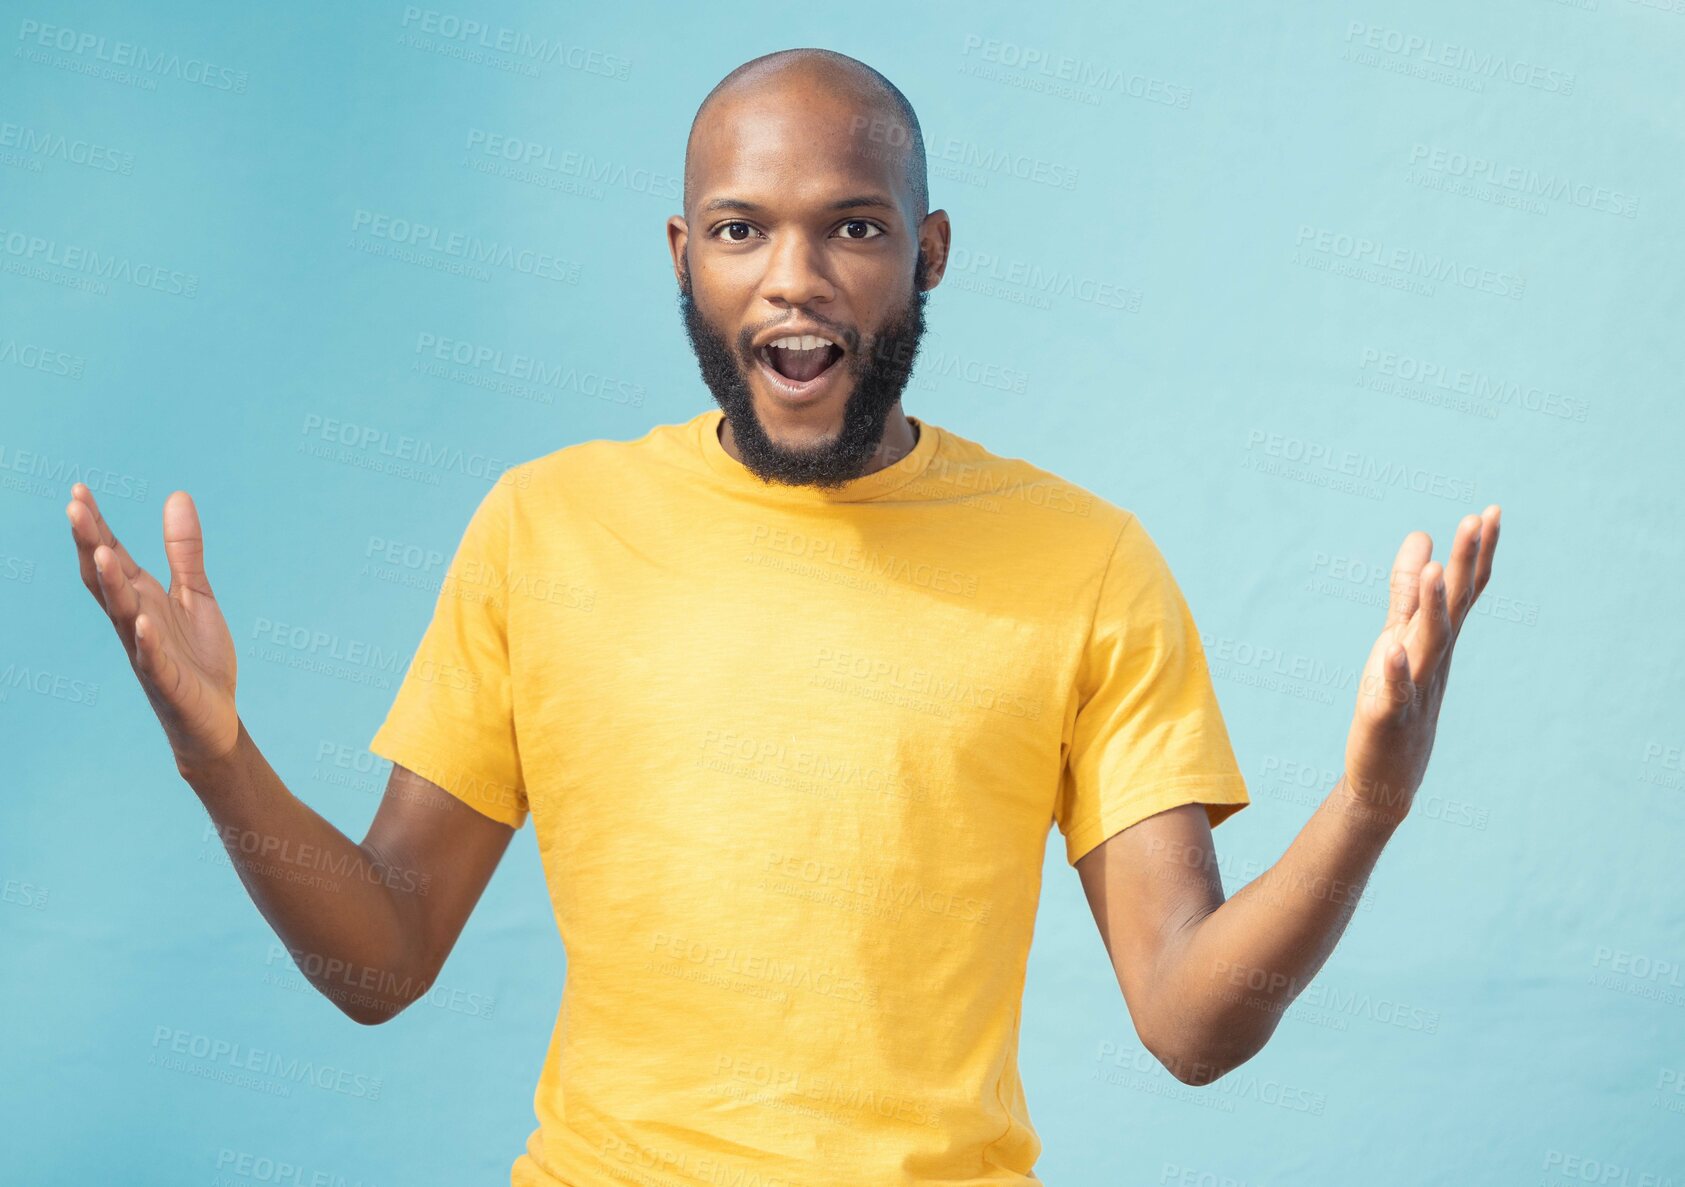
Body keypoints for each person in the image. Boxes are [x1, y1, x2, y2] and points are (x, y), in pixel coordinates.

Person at [67, 47, 1503, 1187]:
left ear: (928, 252)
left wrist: (1366, 807)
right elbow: (378, 959)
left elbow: (1190, 1023)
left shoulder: (1083, 562)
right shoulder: (544, 527)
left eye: (852, 229)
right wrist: (217, 759)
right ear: (683, 251)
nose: (794, 278)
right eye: (743, 231)